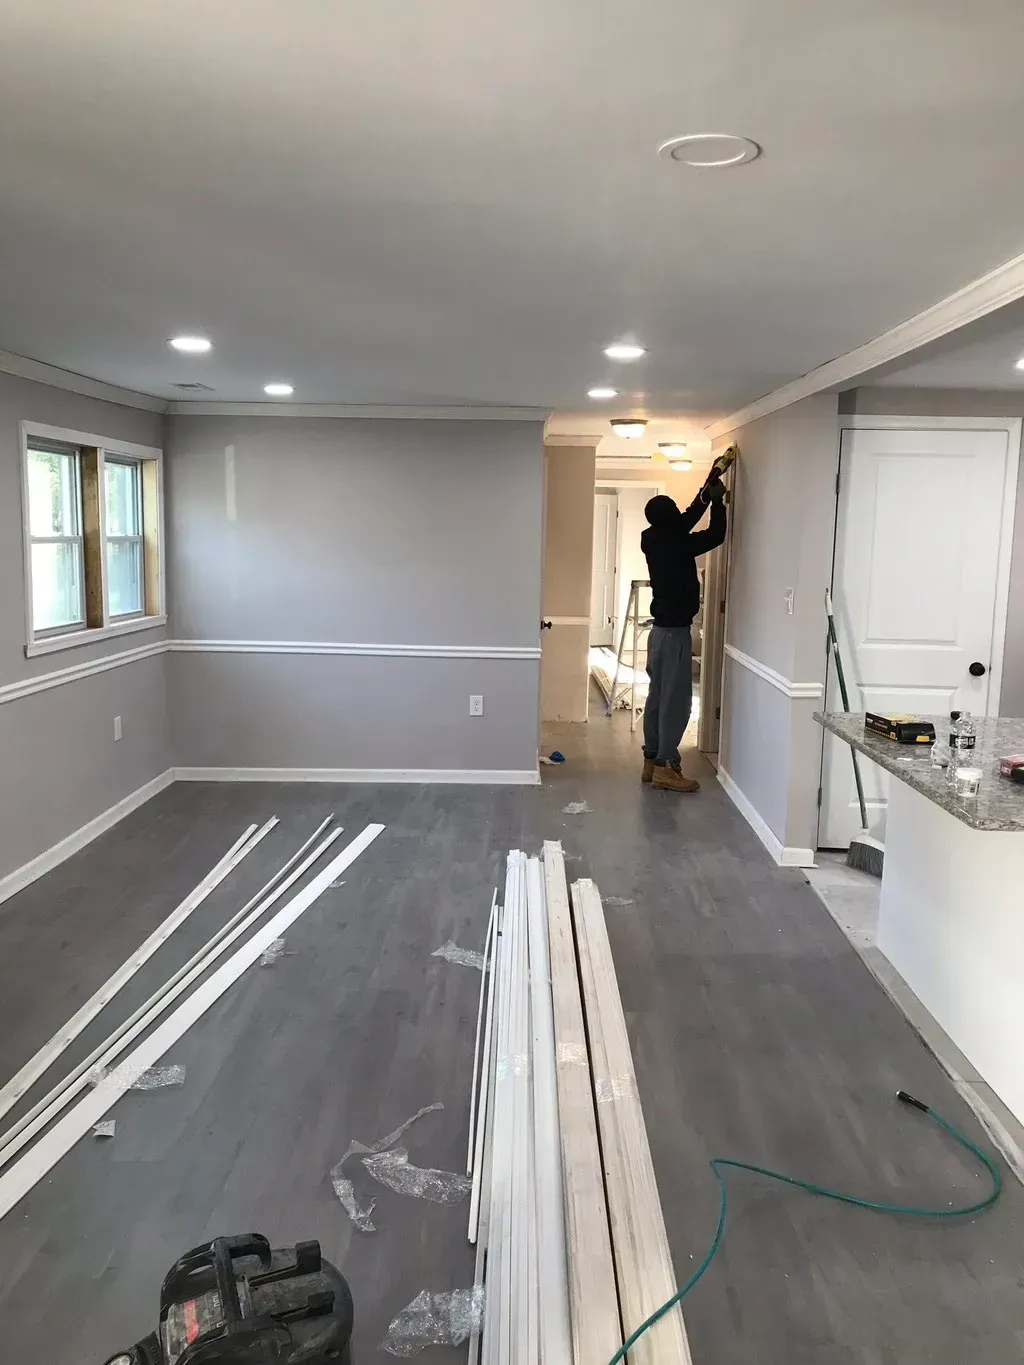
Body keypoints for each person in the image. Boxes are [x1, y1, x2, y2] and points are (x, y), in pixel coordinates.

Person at [640, 476, 727, 792]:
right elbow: (716, 534)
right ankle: (665, 766)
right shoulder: (679, 541)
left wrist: (707, 487)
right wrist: (718, 502)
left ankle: (651, 761)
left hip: (658, 634)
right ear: (670, 517)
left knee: (657, 697)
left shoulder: (650, 538)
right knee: (676, 703)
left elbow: (686, 517)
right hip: (675, 635)